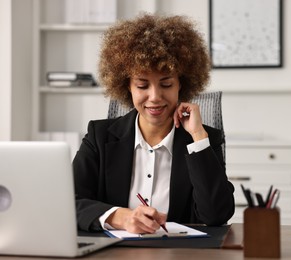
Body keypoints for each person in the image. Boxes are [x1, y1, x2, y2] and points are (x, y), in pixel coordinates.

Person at [73, 13, 235, 234]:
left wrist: (197, 136)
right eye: (142, 85)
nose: (155, 96)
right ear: (126, 87)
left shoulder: (205, 140)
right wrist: (120, 217)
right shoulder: (99, 137)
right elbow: (68, 202)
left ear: (181, 85)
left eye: (166, 84)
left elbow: (217, 215)